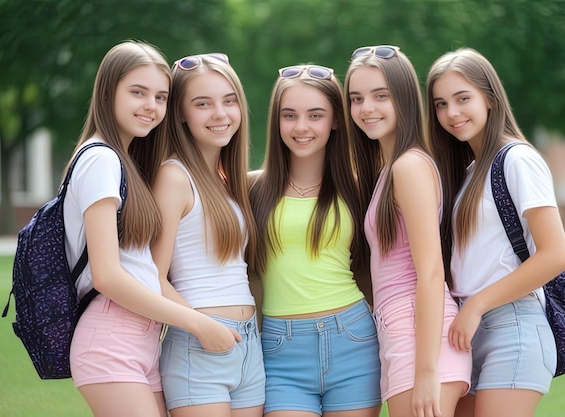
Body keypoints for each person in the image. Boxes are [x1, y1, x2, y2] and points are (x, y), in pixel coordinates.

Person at [65, 41, 240, 417]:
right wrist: (198, 323)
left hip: (141, 341)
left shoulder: (125, 161)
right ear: (108, 91)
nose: (151, 106)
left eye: (161, 97)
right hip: (111, 341)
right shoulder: (100, 159)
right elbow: (107, 275)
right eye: (138, 92)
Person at [425, 47, 565, 417]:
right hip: (467, 332)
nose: (452, 113)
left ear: (489, 98)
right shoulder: (470, 171)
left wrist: (476, 305)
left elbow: (555, 255)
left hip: (512, 327)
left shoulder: (517, 159)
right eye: (441, 104)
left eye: (463, 98)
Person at [345, 45, 471, 417]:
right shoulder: (391, 168)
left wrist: (427, 371)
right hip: (403, 331)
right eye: (356, 98)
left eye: (380, 95)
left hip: (419, 336)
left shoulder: (409, 166)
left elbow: (431, 272)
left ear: (404, 98)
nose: (367, 108)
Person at [248, 63, 381, 417]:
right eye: (289, 115)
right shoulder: (250, 188)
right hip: (280, 349)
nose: (301, 127)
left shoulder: (360, 187)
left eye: (315, 115)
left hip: (353, 339)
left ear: (335, 120)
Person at [148, 52, 264, 417]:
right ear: (181, 113)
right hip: (198, 342)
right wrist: (202, 327)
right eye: (203, 104)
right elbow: (151, 275)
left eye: (229, 101)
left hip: (248, 343)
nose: (220, 113)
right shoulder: (174, 177)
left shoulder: (228, 182)